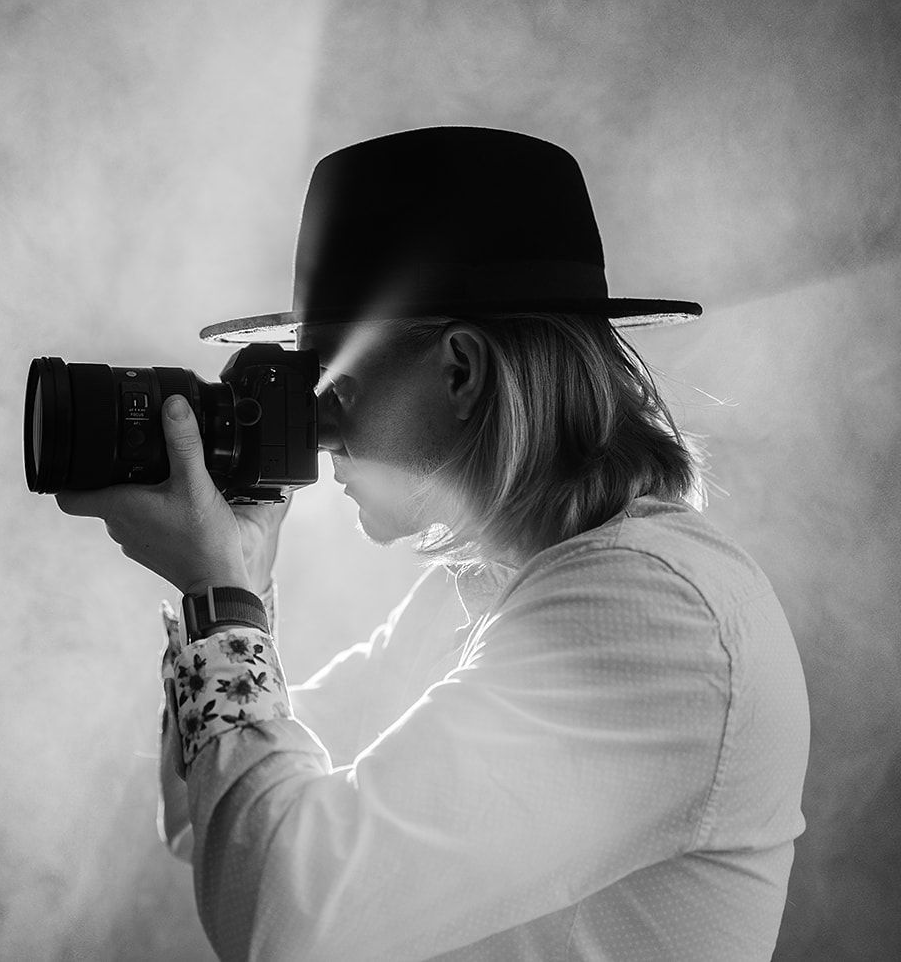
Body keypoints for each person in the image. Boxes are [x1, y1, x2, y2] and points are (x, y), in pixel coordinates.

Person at [56, 127, 809, 961]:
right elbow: (212, 822)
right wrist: (241, 583)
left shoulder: (663, 616)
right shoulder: (479, 592)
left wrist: (218, 599)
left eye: (334, 389)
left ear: (461, 370)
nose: (318, 435)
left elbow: (286, 914)